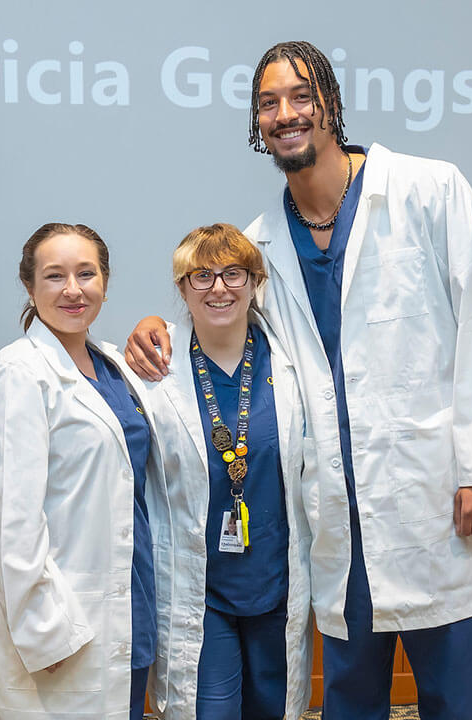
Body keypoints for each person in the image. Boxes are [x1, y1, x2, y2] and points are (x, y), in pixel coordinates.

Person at [128, 41, 472, 720]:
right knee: (350, 702)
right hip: (340, 524)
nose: (285, 114)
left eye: (300, 96)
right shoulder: (263, 246)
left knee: (459, 703)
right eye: (268, 103)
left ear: (332, 104)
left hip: (438, 502)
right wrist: (150, 327)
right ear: (258, 126)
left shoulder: (430, 191)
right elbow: (213, 316)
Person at [0, 223, 164, 720]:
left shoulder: (115, 366)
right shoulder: (18, 374)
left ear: (105, 282)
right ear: (30, 288)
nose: (73, 290)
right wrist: (44, 629)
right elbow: (12, 517)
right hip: (63, 619)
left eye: (86, 274)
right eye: (55, 276)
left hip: (130, 600)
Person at [147, 224, 312, 720]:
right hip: (203, 589)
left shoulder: (291, 363)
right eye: (200, 276)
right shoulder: (153, 370)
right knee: (210, 711)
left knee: (272, 709)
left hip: (275, 582)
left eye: (233, 273)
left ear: (255, 281)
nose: (218, 288)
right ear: (181, 288)